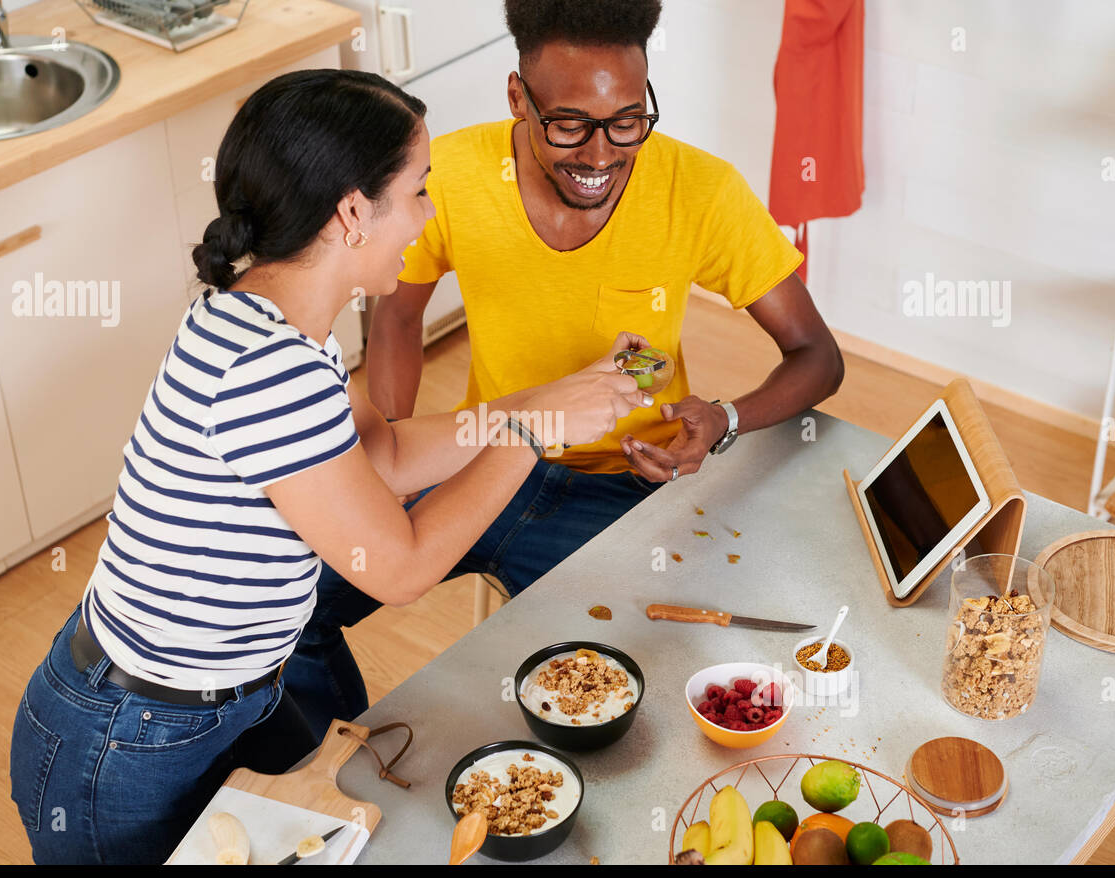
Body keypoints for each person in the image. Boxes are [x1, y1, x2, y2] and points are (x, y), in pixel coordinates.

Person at [8, 68, 646, 864]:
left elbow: (384, 455)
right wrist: (536, 428)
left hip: (204, 703)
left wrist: (546, 395)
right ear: (352, 211)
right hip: (127, 742)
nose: (427, 215)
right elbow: (402, 568)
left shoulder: (272, 320)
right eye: (418, 191)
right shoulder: (266, 369)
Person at [283, 0, 845, 737]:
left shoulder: (700, 190)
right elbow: (397, 319)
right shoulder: (447, 176)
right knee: (289, 615)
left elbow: (817, 356)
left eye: (627, 120)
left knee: (607, 698)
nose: (602, 154)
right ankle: (341, 773)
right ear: (519, 97)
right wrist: (391, 456)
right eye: (570, 124)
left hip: (619, 493)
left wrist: (722, 419)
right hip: (477, 463)